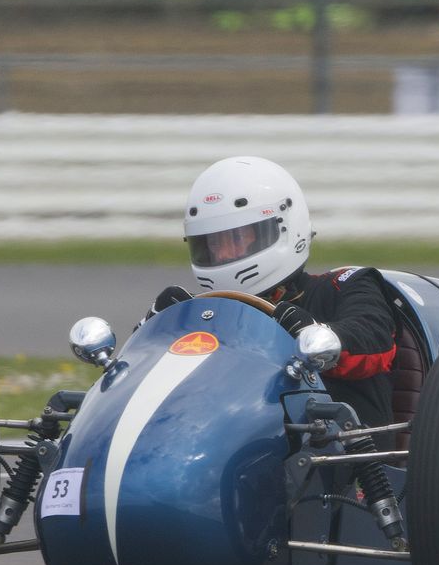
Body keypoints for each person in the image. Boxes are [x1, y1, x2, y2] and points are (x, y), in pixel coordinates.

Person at [147, 156, 399, 427]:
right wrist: (156, 329)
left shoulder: (345, 284)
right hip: (229, 441)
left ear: (286, 227)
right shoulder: (205, 316)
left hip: (329, 451)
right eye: (212, 244)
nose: (224, 253)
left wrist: (315, 333)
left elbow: (376, 344)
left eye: (238, 239)